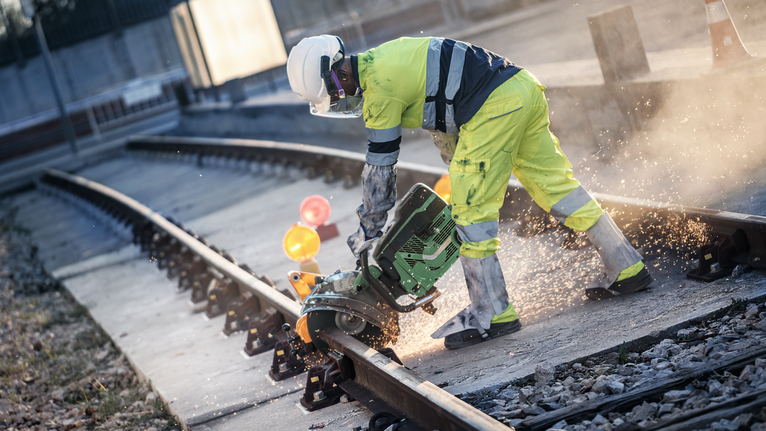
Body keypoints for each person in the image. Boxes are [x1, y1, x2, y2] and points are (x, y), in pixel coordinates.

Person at [286, 35, 653, 350]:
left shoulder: (379, 88)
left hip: (493, 107)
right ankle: (626, 265)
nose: (340, 99)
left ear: (338, 71)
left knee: (470, 215)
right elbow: (444, 115)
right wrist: (460, 170)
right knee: (556, 186)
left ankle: (491, 314)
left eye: (334, 92)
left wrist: (369, 232)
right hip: (521, 88)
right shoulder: (390, 57)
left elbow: (380, 172)